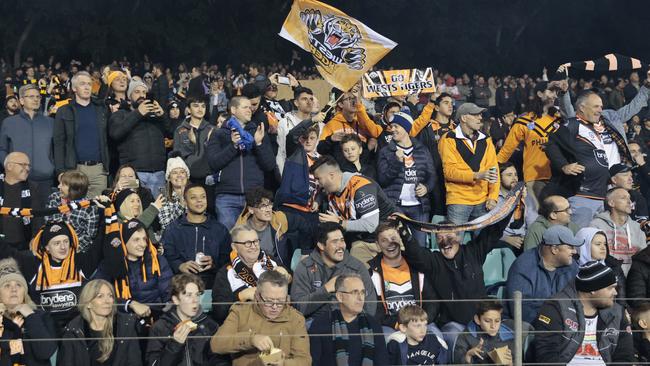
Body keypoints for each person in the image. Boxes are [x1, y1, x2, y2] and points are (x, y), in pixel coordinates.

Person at [398, 203, 520, 348]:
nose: (445, 241)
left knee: (518, 330)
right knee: (457, 337)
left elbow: (493, 232)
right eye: (440, 238)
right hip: (454, 326)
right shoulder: (434, 260)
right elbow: (416, 253)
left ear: (459, 237)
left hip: (481, 322)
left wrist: (510, 205)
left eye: (449, 235)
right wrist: (404, 233)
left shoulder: (473, 252)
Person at [548, 72, 650, 226]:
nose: (600, 110)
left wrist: (647, 86)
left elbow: (632, 108)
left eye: (601, 106)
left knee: (614, 224)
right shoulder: (577, 123)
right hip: (590, 185)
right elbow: (566, 109)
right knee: (589, 225)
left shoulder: (610, 117)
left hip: (615, 181)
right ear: (582, 108)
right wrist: (563, 93)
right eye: (596, 106)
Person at [532, 261, 635, 364]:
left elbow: (625, 356)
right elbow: (546, 355)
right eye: (610, 288)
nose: (615, 292)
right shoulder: (555, 307)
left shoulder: (617, 312)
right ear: (593, 289)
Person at [211, 269, 312, 365]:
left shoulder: (295, 319)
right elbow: (216, 344)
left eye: (281, 301)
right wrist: (251, 339)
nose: (275, 307)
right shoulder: (241, 312)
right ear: (257, 296)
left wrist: (283, 364)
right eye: (269, 301)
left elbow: (304, 361)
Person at [310, 155, 397, 265]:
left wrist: (339, 223)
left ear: (331, 175)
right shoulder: (331, 194)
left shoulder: (361, 187)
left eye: (318, 179)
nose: (317, 183)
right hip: (362, 240)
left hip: (389, 237)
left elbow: (370, 225)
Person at [206, 95, 276, 229]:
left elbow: (270, 165)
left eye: (250, 107)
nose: (249, 110)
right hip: (227, 197)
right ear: (233, 109)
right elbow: (213, 163)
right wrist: (233, 146)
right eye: (245, 107)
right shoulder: (219, 134)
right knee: (228, 240)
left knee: (254, 239)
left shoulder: (258, 132)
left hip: (254, 198)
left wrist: (259, 143)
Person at [291, 222, 376, 320]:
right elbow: (298, 308)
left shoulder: (357, 267)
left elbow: (370, 306)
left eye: (342, 240)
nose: (341, 246)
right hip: (315, 326)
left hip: (352, 325)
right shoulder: (305, 267)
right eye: (335, 242)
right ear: (321, 245)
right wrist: (325, 290)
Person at [497, 81, 561, 208]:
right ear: (539, 93)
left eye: (556, 92)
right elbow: (506, 150)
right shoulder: (524, 121)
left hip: (558, 177)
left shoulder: (559, 119)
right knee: (535, 217)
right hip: (534, 177)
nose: (554, 95)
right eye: (551, 91)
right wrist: (494, 170)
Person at [95, 219, 173, 320]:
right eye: (136, 240)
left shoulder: (156, 261)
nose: (143, 244)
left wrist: (168, 307)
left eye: (144, 239)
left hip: (155, 317)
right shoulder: (109, 264)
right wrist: (129, 304)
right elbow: (97, 295)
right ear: (124, 242)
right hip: (122, 319)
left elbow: (168, 291)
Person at [210, 224, 288, 324]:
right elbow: (218, 312)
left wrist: (288, 277)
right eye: (247, 243)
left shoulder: (271, 261)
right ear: (234, 247)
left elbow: (292, 290)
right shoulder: (226, 272)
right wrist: (240, 296)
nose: (253, 246)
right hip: (245, 324)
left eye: (256, 241)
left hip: (278, 320)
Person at [369, 221, 437, 334]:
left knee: (437, 338)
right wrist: (397, 325)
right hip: (391, 326)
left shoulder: (417, 266)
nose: (390, 243)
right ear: (377, 245)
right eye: (384, 240)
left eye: (393, 238)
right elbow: (375, 310)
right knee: (387, 340)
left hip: (420, 322)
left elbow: (432, 301)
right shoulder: (372, 273)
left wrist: (422, 321)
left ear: (400, 239)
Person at [377, 112, 435, 245]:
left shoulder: (422, 149)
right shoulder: (386, 151)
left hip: (419, 207)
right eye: (392, 126)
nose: (393, 130)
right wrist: (396, 162)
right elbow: (383, 179)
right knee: (395, 244)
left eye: (396, 126)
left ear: (406, 128)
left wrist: (426, 187)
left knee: (420, 246)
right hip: (395, 206)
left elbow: (432, 175)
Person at [146, 273, 228, 366]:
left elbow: (220, 359)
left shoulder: (210, 325)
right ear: (176, 300)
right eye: (189, 295)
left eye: (197, 295)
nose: (195, 300)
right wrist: (175, 344)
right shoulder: (160, 327)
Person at [506, 225, 582, 323]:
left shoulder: (572, 266)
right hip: (532, 326)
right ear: (554, 249)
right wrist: (551, 322)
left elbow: (578, 301)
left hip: (564, 323)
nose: (574, 251)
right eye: (570, 247)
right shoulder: (523, 267)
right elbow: (522, 311)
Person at [438, 102, 499, 224]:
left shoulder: (486, 139)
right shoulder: (449, 139)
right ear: (464, 118)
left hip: (483, 201)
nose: (480, 118)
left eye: (480, 115)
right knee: (454, 241)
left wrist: (493, 197)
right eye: (475, 115)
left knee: (483, 242)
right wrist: (477, 175)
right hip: (459, 201)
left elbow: (493, 168)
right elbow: (450, 173)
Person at [309, 273, 388, 366]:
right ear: (340, 296)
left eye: (362, 292)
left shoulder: (373, 324)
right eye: (354, 292)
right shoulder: (320, 324)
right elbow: (314, 362)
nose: (360, 298)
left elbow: (382, 362)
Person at [57, 279, 142, 366]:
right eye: (100, 296)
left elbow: (134, 361)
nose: (107, 301)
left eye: (110, 296)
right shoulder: (72, 331)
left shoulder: (126, 326)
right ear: (88, 303)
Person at [53, 71, 110, 198]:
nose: (87, 87)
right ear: (74, 88)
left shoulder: (101, 109)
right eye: (82, 84)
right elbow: (58, 143)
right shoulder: (64, 111)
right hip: (74, 168)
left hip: (99, 170)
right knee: (74, 211)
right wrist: (60, 171)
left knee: (99, 211)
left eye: (89, 84)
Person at [162, 184, 230, 288]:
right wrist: (180, 266)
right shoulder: (173, 229)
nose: (199, 201)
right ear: (185, 202)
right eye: (193, 197)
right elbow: (166, 256)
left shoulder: (220, 230)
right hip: (181, 285)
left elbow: (227, 259)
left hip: (213, 285)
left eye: (203, 197)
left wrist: (213, 264)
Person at [109, 79, 169, 196]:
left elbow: (170, 133)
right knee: (135, 209)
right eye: (137, 92)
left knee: (161, 211)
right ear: (129, 96)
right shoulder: (120, 114)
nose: (142, 95)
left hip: (159, 174)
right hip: (134, 174)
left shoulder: (155, 116)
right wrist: (138, 113)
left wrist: (162, 116)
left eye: (144, 92)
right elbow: (115, 133)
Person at [0, 84, 55, 213]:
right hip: (18, 181)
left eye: (38, 97)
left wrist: (52, 167)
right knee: (17, 223)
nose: (35, 99)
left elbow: (57, 149)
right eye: (31, 97)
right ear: (22, 101)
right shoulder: (9, 123)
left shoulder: (51, 122)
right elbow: (2, 149)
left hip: (45, 181)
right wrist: (10, 167)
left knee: (43, 221)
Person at [0, 258, 58, 366]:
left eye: (19, 285)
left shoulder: (42, 317)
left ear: (25, 292)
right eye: (7, 285)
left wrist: (31, 316)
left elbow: (45, 353)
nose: (14, 289)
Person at [235, 187, 312, 267]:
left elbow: (303, 224)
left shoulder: (278, 219)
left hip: (279, 269)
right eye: (263, 206)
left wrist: (305, 252)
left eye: (269, 205)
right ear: (251, 210)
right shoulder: (240, 230)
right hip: (252, 270)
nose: (268, 210)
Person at [590, 187, 646, 274]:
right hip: (606, 275)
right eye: (623, 198)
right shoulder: (596, 225)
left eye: (629, 198)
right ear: (611, 203)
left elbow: (643, 257)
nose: (629, 202)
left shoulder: (637, 227)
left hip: (633, 276)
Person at [317, 89, 383, 163]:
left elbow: (376, 133)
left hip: (365, 167)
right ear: (340, 104)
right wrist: (330, 139)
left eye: (355, 98)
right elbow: (321, 149)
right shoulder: (331, 124)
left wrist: (367, 149)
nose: (354, 102)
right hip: (342, 169)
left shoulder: (364, 119)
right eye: (349, 99)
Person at [45, 170, 99, 253]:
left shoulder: (90, 208)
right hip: (55, 245)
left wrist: (72, 250)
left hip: (77, 249)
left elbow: (89, 235)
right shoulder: (54, 198)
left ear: (74, 189)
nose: (59, 186)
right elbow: (49, 223)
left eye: (62, 184)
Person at [276, 86, 325, 173]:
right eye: (304, 99)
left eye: (311, 99)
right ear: (296, 103)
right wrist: (283, 177)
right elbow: (281, 153)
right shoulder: (285, 123)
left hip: (314, 175)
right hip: (293, 172)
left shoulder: (320, 125)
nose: (309, 102)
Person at [453, 300, 515, 365]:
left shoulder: (508, 337)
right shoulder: (466, 336)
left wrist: (511, 364)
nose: (493, 326)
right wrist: (468, 356)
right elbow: (456, 361)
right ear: (477, 320)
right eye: (487, 321)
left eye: (497, 321)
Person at [576, 227, 627, 306]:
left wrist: (622, 312)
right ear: (584, 246)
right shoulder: (571, 268)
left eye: (605, 244)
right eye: (598, 244)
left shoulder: (614, 266)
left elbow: (621, 297)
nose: (603, 248)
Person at [172, 96, 215, 184]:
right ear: (188, 109)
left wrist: (197, 142)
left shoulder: (212, 129)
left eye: (203, 106)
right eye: (196, 106)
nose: (200, 109)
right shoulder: (180, 130)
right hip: (188, 178)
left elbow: (214, 155)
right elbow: (178, 155)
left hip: (208, 177)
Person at [0, 152, 33, 250]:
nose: (27, 168)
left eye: (28, 166)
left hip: (23, 246)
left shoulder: (33, 188)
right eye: (23, 165)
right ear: (9, 166)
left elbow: (38, 218)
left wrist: (35, 238)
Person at [157, 156, 189, 231]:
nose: (179, 175)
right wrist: (181, 205)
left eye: (182, 172)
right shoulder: (163, 197)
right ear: (169, 178)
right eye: (174, 172)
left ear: (187, 176)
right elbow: (167, 225)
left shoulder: (195, 193)